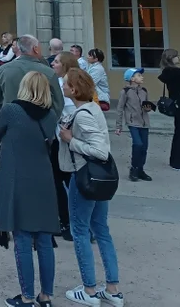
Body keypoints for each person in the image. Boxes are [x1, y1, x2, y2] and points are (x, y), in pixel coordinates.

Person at [0, 71, 59, 307]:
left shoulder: (11, 110)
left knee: (22, 237)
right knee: (44, 239)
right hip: (44, 178)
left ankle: (27, 296)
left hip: (18, 176)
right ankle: (46, 295)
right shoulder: (50, 115)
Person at [59, 69, 124, 307]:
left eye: (66, 84)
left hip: (86, 176)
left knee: (80, 232)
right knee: (101, 230)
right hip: (99, 178)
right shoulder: (91, 108)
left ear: (74, 89)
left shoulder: (83, 114)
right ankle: (112, 289)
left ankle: (88, 289)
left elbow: (99, 150)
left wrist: (70, 141)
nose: (63, 86)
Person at [0, 35, 64, 121]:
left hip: (11, 121)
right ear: (35, 49)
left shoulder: (3, 69)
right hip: (40, 122)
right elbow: (58, 103)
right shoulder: (48, 72)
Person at [50, 52, 79, 241]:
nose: (53, 63)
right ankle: (71, 221)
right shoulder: (64, 83)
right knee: (64, 181)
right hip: (62, 139)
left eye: (57, 61)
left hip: (65, 140)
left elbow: (66, 112)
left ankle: (68, 222)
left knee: (63, 181)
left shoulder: (65, 87)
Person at [116, 68, 152, 182]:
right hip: (133, 122)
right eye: (138, 75)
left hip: (144, 123)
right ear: (132, 79)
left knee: (144, 147)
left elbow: (146, 106)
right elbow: (120, 108)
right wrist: (118, 126)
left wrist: (148, 108)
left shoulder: (144, 91)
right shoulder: (125, 91)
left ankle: (140, 169)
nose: (142, 77)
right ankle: (134, 168)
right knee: (138, 144)